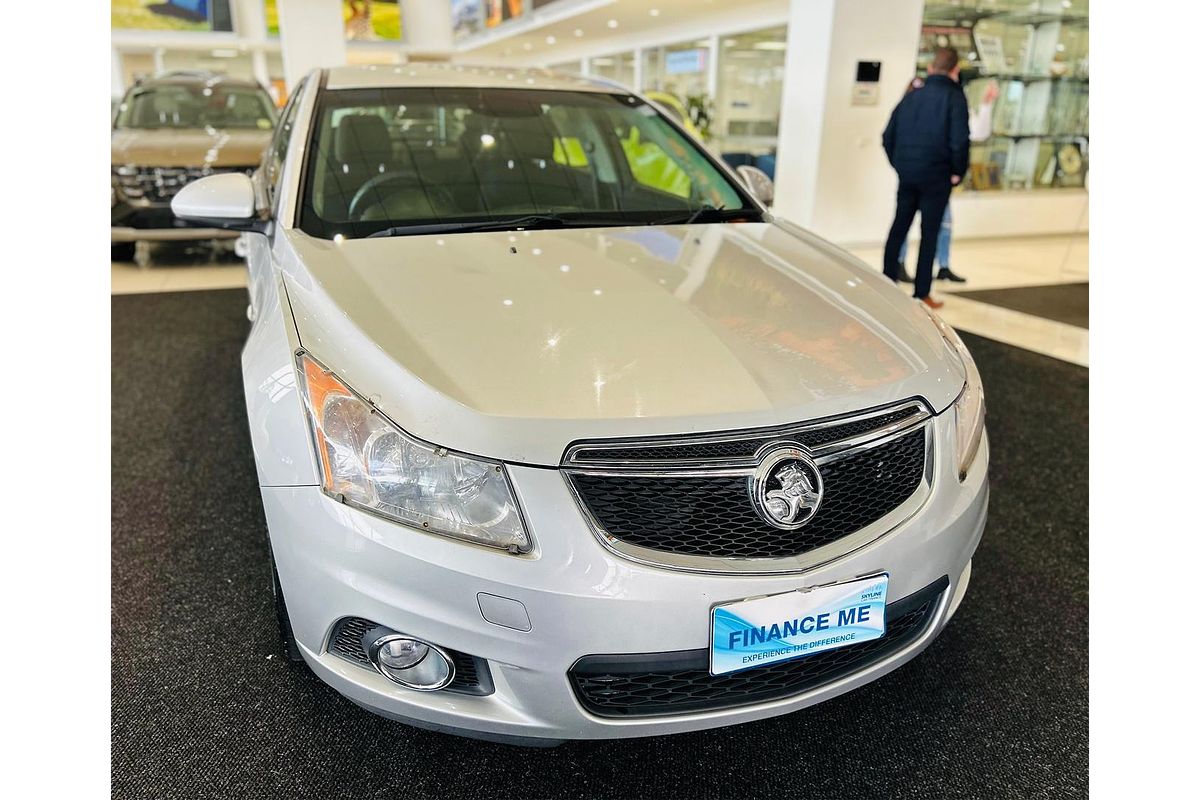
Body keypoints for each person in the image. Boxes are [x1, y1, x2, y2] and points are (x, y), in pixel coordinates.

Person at [881, 47, 970, 309]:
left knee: (899, 227)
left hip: (908, 173)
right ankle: (921, 293)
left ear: (931, 68)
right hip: (938, 175)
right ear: (955, 70)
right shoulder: (955, 98)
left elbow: (888, 136)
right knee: (929, 233)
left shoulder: (911, 96)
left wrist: (899, 164)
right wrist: (957, 171)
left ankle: (887, 284)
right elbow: (959, 140)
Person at [896, 79, 999, 284]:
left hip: (936, 179)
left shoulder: (952, 106)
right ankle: (899, 266)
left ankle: (940, 268)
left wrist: (986, 105)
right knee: (906, 225)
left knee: (942, 224)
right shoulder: (911, 109)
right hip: (916, 177)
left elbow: (975, 133)